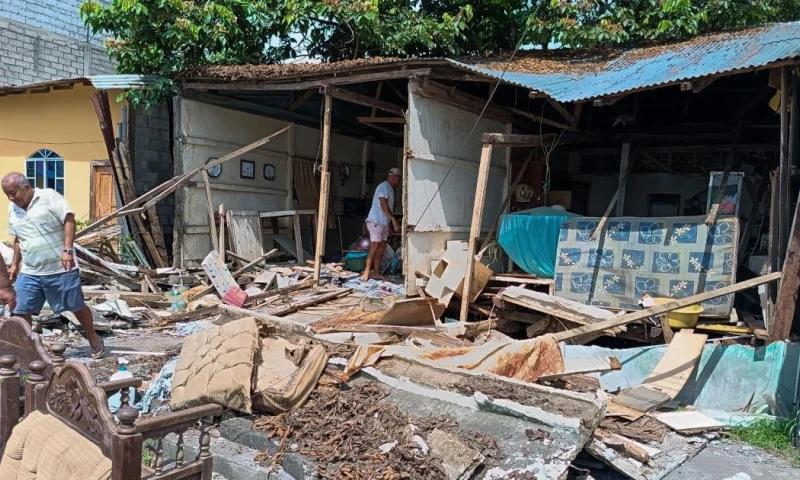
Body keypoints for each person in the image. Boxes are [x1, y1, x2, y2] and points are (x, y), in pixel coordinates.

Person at [2, 172, 104, 358]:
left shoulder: (48, 196)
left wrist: (67, 250)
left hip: (60, 268)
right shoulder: (12, 208)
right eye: (7, 194)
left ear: (26, 188)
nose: (11, 197)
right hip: (30, 270)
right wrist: (15, 264)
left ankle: (93, 337)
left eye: (13, 192)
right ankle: (29, 349)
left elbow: (69, 219)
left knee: (76, 306)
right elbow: (18, 238)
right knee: (20, 308)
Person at [361, 167, 401, 281]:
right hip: (376, 221)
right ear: (395, 178)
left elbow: (386, 209)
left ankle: (376, 272)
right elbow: (384, 205)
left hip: (383, 223)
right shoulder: (384, 187)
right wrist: (393, 218)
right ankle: (366, 272)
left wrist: (388, 225)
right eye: (398, 179)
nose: (398, 182)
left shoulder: (390, 189)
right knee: (375, 246)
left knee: (382, 247)